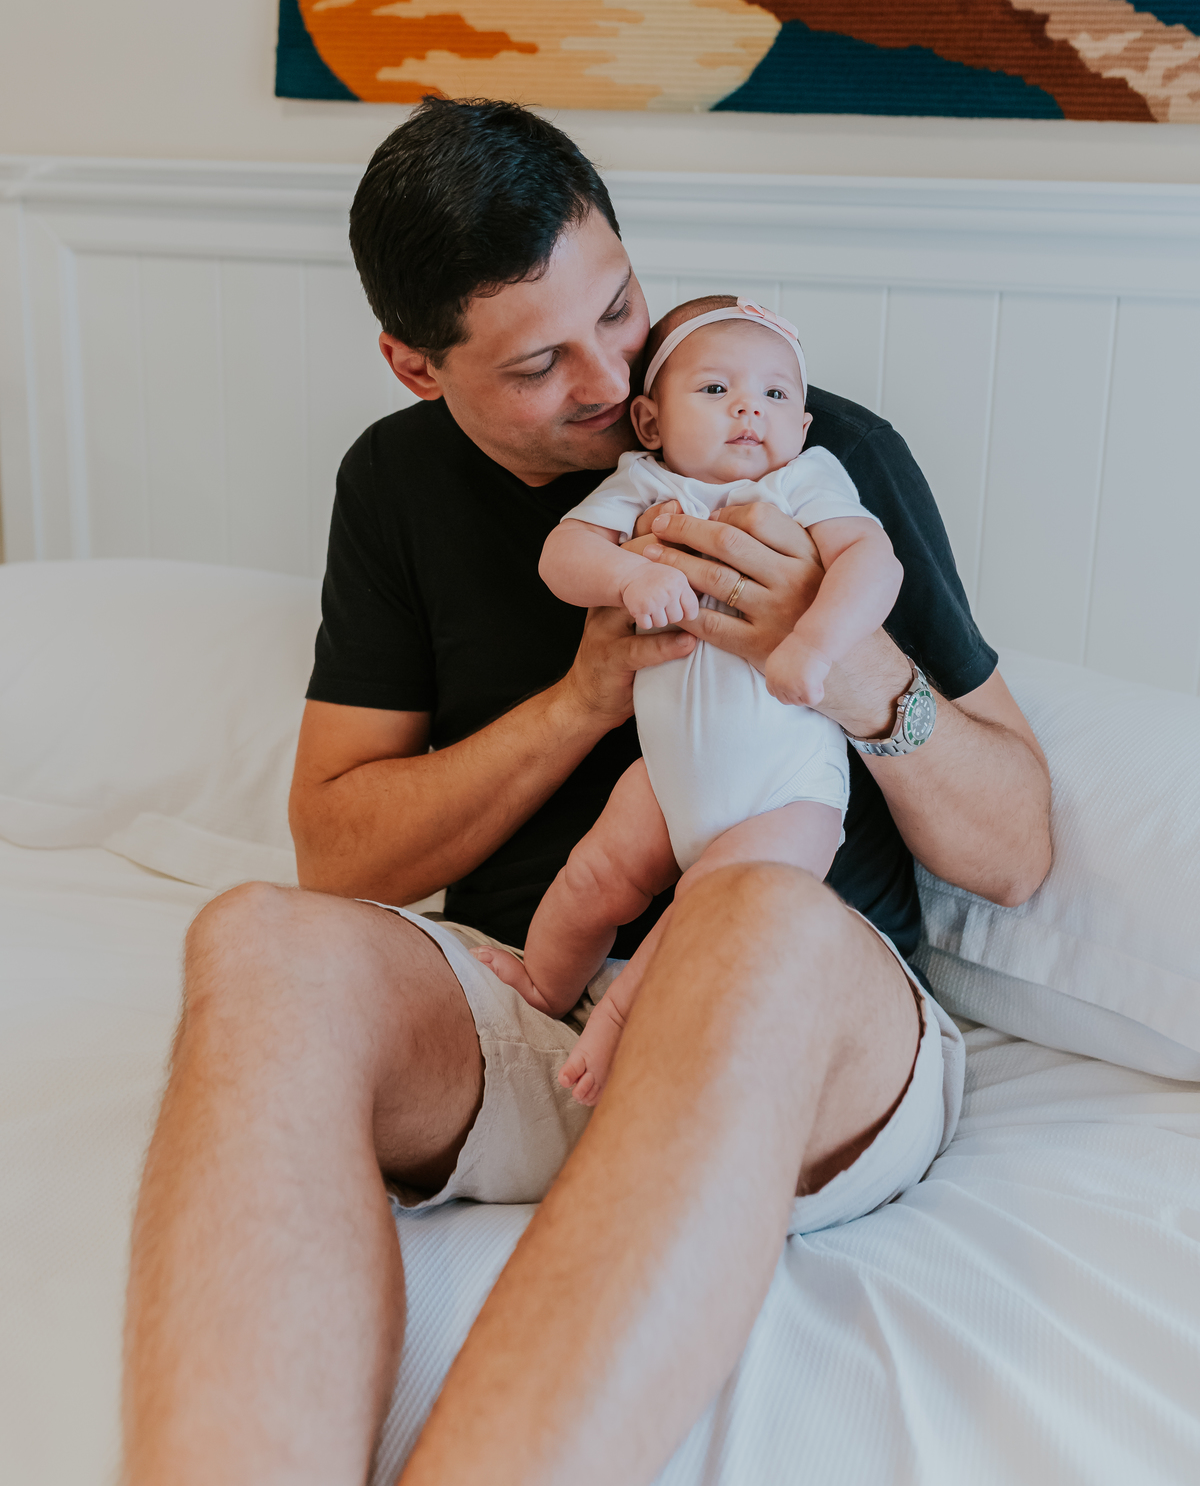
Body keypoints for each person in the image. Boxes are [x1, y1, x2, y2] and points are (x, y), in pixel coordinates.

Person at [121, 99, 1052, 1486]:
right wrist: (580, 698)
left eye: (619, 306)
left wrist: (850, 670)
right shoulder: (396, 486)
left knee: (745, 925)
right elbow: (338, 846)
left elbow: (1021, 845)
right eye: (541, 361)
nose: (617, 377)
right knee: (256, 940)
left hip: (807, 1028)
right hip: (527, 1008)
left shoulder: (804, 441)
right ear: (413, 367)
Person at [479, 294, 904, 1103]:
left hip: (789, 797)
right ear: (649, 421)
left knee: (708, 910)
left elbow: (875, 564)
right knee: (590, 878)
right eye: (715, 390)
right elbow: (562, 556)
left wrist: (814, 643)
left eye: (776, 394)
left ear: (803, 424)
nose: (750, 407)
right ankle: (543, 986)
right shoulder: (642, 484)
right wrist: (630, 574)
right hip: (669, 778)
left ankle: (612, 1028)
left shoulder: (804, 482)